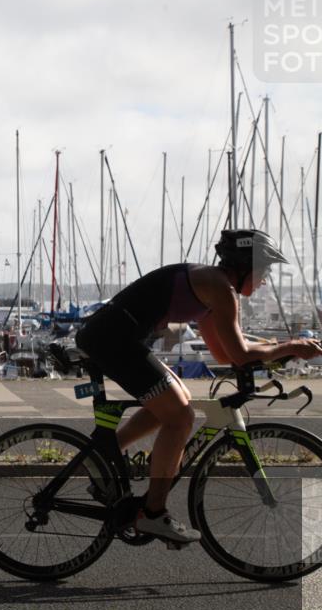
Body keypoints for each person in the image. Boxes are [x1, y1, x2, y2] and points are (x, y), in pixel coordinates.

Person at [75, 229, 322, 544]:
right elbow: (240, 354)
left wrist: (276, 353)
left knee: (179, 401)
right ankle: (153, 515)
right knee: (180, 417)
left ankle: (99, 459)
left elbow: (223, 354)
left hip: (114, 337)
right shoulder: (219, 288)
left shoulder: (211, 289)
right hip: (112, 339)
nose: (266, 278)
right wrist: (292, 346)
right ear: (246, 264)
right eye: (265, 269)